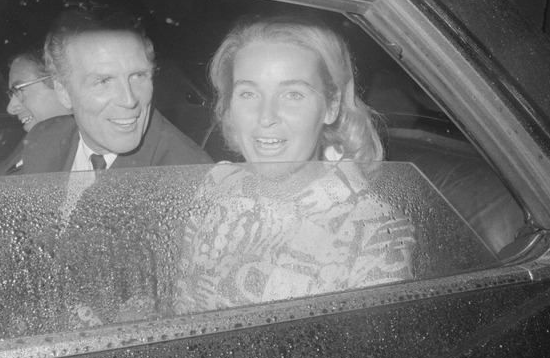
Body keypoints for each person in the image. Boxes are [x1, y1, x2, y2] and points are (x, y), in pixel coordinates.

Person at [176, 17, 415, 314]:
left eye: (293, 95)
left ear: (331, 106)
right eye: (248, 93)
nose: (266, 117)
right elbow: (182, 312)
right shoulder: (216, 183)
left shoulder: (374, 231)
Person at [19, 7, 212, 173]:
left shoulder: (188, 175)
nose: (129, 100)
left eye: (138, 76)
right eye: (104, 81)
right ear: (63, 92)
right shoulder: (43, 139)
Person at [0, 50, 71, 174]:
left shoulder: (88, 153)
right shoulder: (35, 140)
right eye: (12, 94)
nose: (10, 108)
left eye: (19, 90)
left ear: (61, 87)